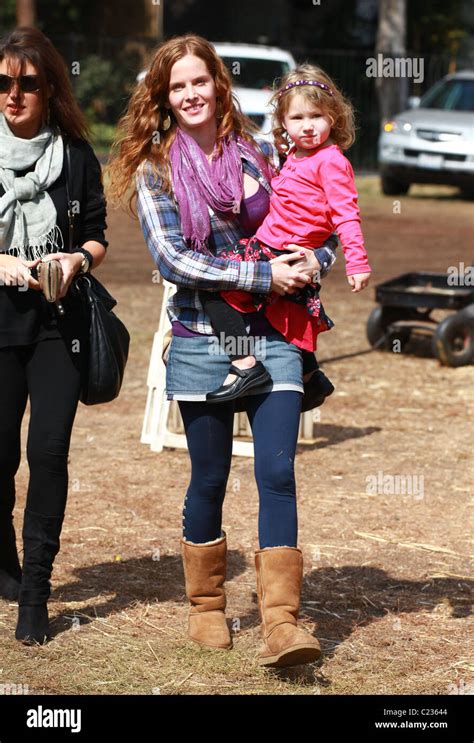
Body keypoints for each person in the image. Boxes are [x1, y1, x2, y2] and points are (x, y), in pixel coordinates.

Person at [108, 33, 341, 668]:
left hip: (276, 336)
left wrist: (311, 262)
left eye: (199, 81)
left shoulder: (266, 153)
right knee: (209, 475)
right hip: (199, 339)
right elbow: (174, 259)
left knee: (277, 473)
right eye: (176, 85)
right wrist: (263, 275)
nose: (190, 94)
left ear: (219, 84)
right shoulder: (157, 169)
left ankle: (281, 623)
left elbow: (320, 223)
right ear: (164, 95)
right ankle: (207, 607)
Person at [0, 27, 108, 645]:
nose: (14, 96)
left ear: (50, 90)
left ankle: (35, 591)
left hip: (56, 324)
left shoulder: (74, 153)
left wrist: (76, 262)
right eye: (4, 83)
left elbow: (95, 232)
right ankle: (4, 562)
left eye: (28, 84)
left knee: (47, 452)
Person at [199, 63, 372, 403]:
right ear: (283, 123)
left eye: (317, 116)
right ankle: (311, 377)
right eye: (297, 119)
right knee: (289, 315)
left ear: (333, 118)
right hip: (270, 245)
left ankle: (244, 364)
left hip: (281, 252)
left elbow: (346, 215)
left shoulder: (331, 161)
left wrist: (358, 263)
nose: (308, 127)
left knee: (213, 288)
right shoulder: (293, 155)